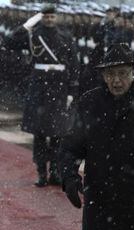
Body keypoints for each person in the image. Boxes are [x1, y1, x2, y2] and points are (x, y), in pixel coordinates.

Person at [59, 44, 134, 230]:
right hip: (99, 202)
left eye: (123, 73)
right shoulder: (89, 102)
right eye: (110, 74)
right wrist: (69, 178)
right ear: (103, 75)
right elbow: (71, 147)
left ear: (133, 73)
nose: (116, 81)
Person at [4, 5, 79, 187]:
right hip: (40, 87)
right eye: (45, 17)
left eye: (52, 17)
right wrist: (28, 25)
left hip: (59, 87)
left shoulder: (66, 37)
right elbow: (8, 41)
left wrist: (72, 91)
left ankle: (54, 171)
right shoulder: (33, 34)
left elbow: (74, 65)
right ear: (41, 17)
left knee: (57, 133)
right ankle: (41, 173)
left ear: (56, 18)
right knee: (39, 133)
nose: (49, 20)